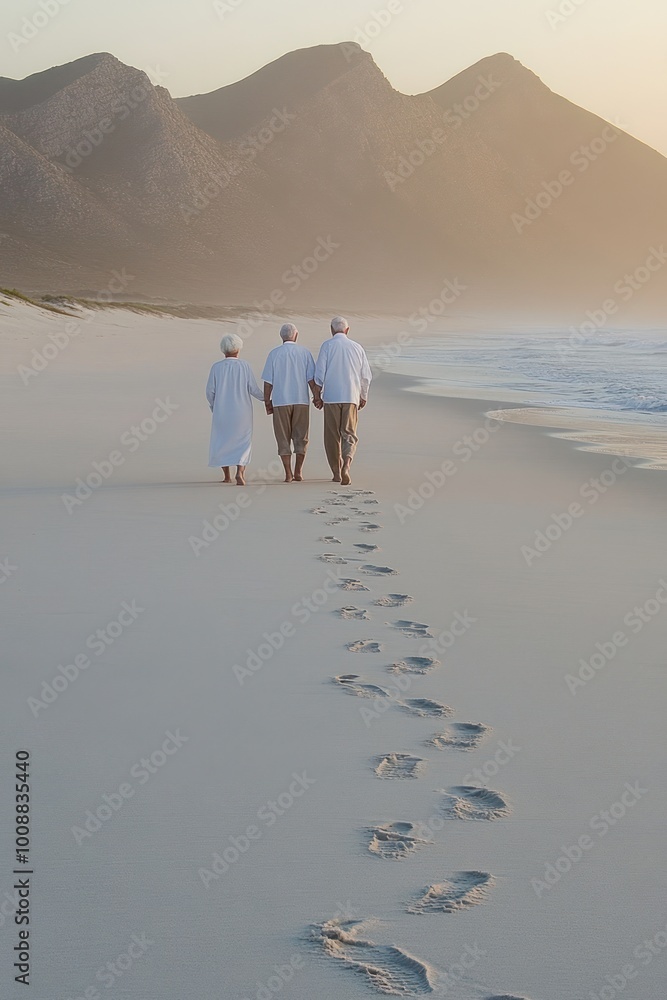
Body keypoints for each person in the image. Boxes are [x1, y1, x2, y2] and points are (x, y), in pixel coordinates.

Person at [313, 317, 372, 485]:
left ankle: (336, 472)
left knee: (332, 436)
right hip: (351, 396)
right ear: (347, 330)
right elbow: (366, 376)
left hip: (331, 397)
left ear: (332, 330)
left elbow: (319, 374)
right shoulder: (357, 347)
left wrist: (317, 396)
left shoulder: (327, 346)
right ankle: (347, 464)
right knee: (349, 433)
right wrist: (363, 396)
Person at [262, 323, 318, 483]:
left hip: (281, 400)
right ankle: (298, 471)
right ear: (296, 335)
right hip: (301, 400)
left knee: (282, 437)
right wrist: (317, 396)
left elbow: (268, 381)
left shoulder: (274, 354)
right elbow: (311, 379)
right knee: (302, 436)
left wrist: (267, 401)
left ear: (282, 336)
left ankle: (288, 473)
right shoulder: (305, 353)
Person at [206, 333, 263, 486]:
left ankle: (226, 476)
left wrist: (214, 407)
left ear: (223, 350)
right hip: (242, 412)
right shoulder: (244, 366)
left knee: (222, 440)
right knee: (243, 441)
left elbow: (210, 391)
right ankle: (240, 472)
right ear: (238, 349)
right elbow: (253, 389)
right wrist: (267, 399)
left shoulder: (216, 367)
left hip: (222, 411)